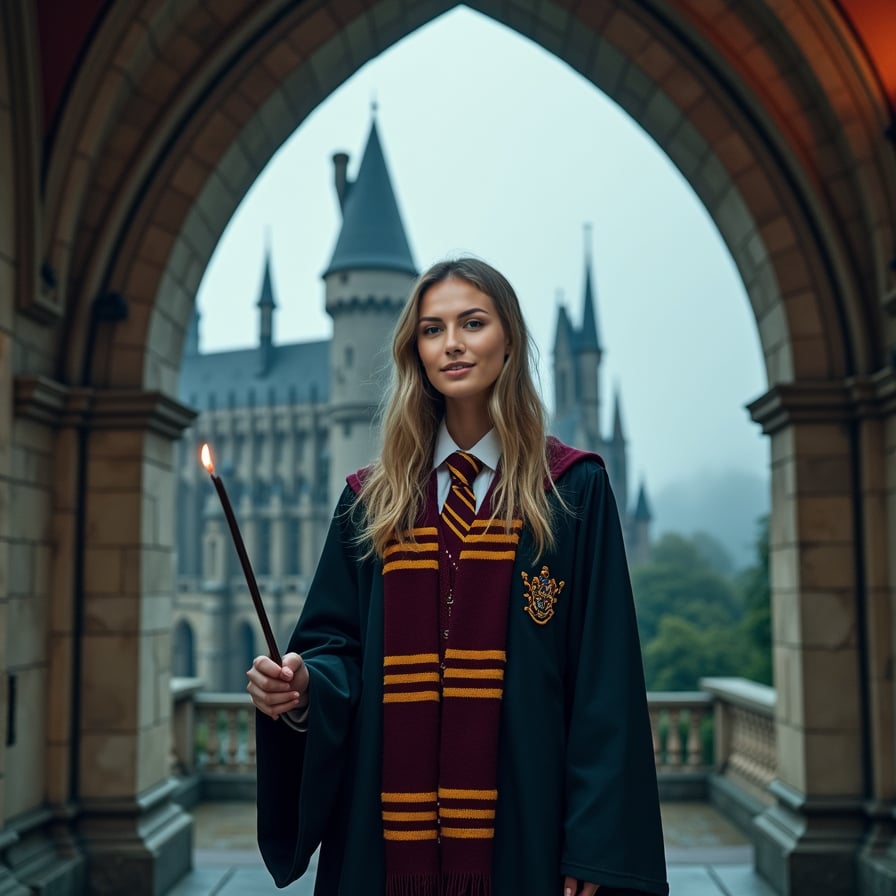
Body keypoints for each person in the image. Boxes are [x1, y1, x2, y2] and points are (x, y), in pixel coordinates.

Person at [247, 258, 669, 896]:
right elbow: (338, 648)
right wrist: (306, 686)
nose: (452, 344)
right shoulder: (371, 501)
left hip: (526, 827)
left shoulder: (573, 490)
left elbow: (602, 682)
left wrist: (595, 844)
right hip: (384, 836)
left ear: (509, 340)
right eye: (432, 329)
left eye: (472, 323)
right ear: (413, 350)